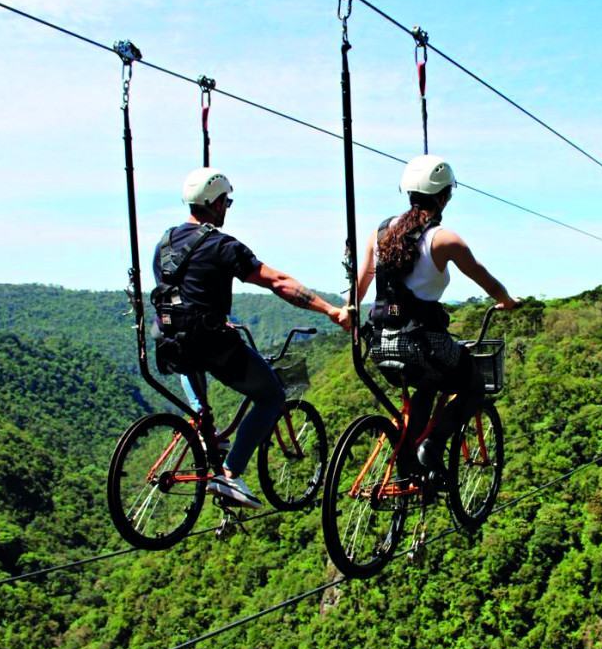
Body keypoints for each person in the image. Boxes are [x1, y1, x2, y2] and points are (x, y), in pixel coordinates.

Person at [152, 167, 350, 508]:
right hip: (211, 344)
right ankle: (230, 476)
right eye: (226, 201)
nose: (227, 207)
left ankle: (202, 426)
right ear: (214, 203)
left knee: (190, 358)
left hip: (170, 340)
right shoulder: (222, 245)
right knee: (272, 395)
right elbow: (278, 282)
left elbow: (186, 291)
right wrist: (330, 310)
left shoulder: (165, 242)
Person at [355, 154, 517, 490]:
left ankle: (407, 462)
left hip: (379, 343)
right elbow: (483, 279)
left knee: (427, 384)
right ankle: (432, 446)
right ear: (444, 196)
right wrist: (506, 300)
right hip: (422, 344)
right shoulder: (444, 240)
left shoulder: (380, 233)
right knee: (474, 385)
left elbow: (359, 287)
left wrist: (348, 313)